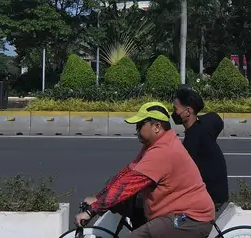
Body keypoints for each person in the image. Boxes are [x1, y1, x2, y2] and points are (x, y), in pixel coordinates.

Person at [76, 102, 215, 238]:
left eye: (140, 125)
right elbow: (126, 174)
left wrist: (92, 210)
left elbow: (128, 185)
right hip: (175, 214)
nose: (137, 130)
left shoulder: (162, 151)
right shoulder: (154, 146)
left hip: (190, 219)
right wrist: (98, 198)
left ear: (156, 127)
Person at [172, 88, 229, 212]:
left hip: (209, 196)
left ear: (188, 111)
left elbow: (179, 171)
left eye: (176, 109)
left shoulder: (194, 138)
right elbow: (215, 118)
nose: (174, 113)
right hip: (218, 193)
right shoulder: (203, 126)